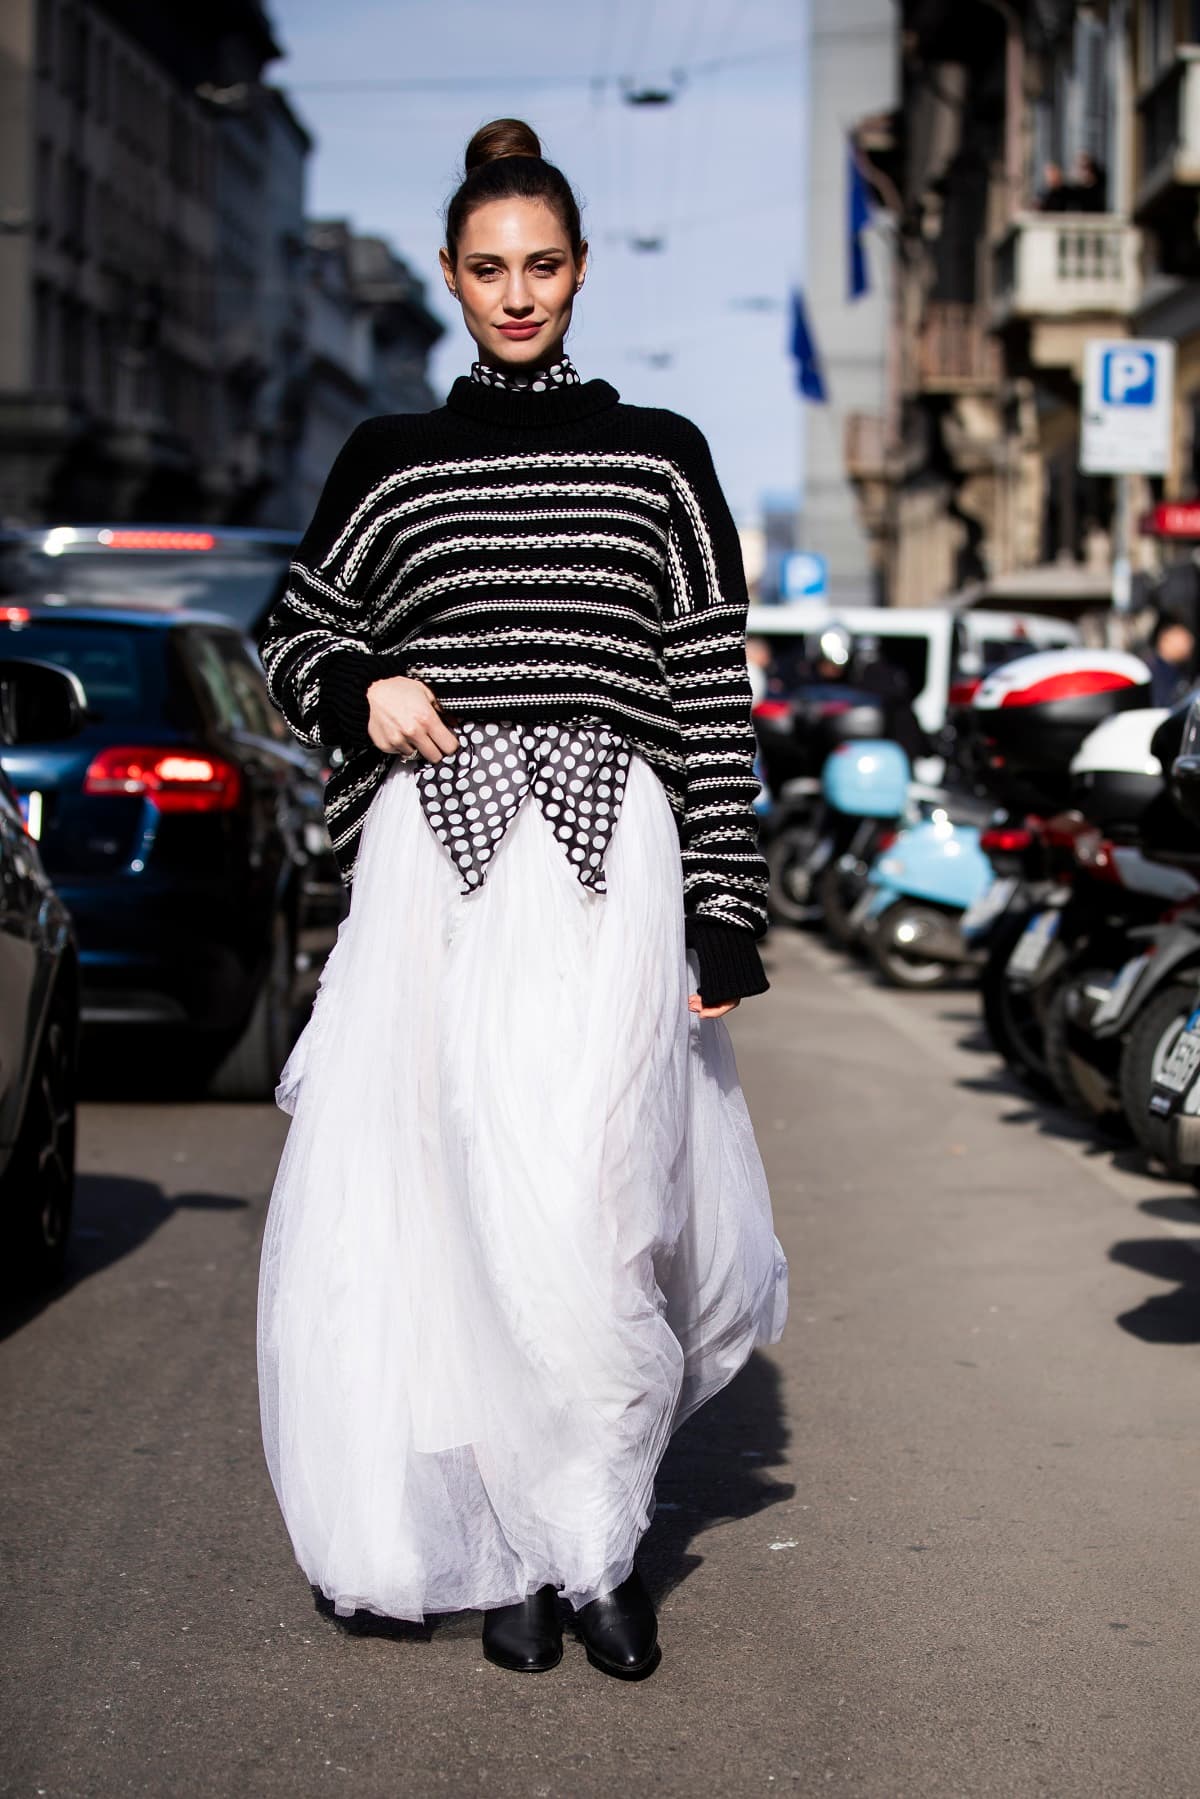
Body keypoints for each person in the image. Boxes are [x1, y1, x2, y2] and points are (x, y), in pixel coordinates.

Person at [255, 117, 788, 1683]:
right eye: (487, 269)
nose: (515, 293)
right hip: (443, 867)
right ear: (449, 276)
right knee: (469, 1205)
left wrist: (728, 900)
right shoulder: (389, 459)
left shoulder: (660, 454)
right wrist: (365, 678)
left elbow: (703, 681)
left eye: (540, 265)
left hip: (615, 858)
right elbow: (291, 627)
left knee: (602, 1198)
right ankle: (511, 1548)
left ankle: (599, 1544)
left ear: (576, 272)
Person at [1144, 617, 1197, 708]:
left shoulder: (1182, 671)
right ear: (1166, 638)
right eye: (1182, 635)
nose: (1190, 641)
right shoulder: (1150, 673)